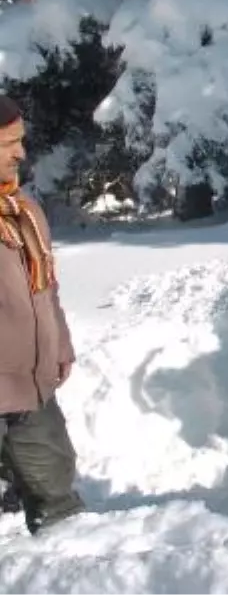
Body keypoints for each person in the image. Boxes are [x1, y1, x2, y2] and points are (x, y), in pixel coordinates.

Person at [0, 95, 86, 534]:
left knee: (58, 497)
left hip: (30, 385)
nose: (21, 153)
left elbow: (46, 288)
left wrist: (60, 345)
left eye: (21, 141)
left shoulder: (24, 212)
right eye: (8, 143)